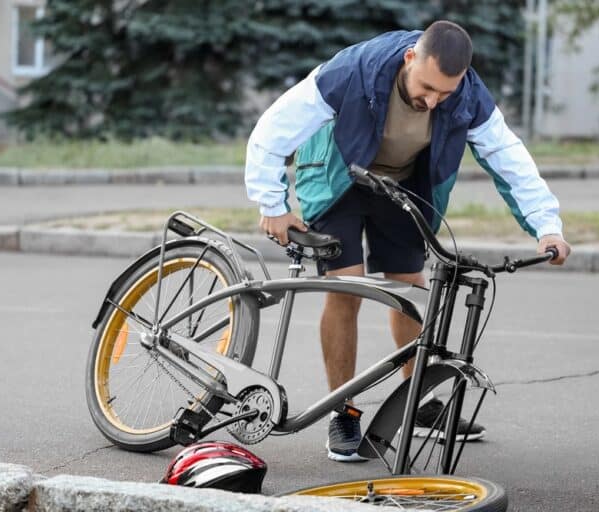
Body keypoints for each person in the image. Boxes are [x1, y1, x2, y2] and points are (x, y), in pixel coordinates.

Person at [244, 21, 571, 462]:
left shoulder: (469, 94)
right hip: (337, 175)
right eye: (427, 88)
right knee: (348, 287)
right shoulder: (353, 70)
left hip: (399, 184)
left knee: (410, 286)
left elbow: (509, 159)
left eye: (445, 94)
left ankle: (417, 401)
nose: (433, 101)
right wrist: (272, 204)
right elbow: (273, 129)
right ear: (410, 59)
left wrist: (546, 225)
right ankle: (343, 412)